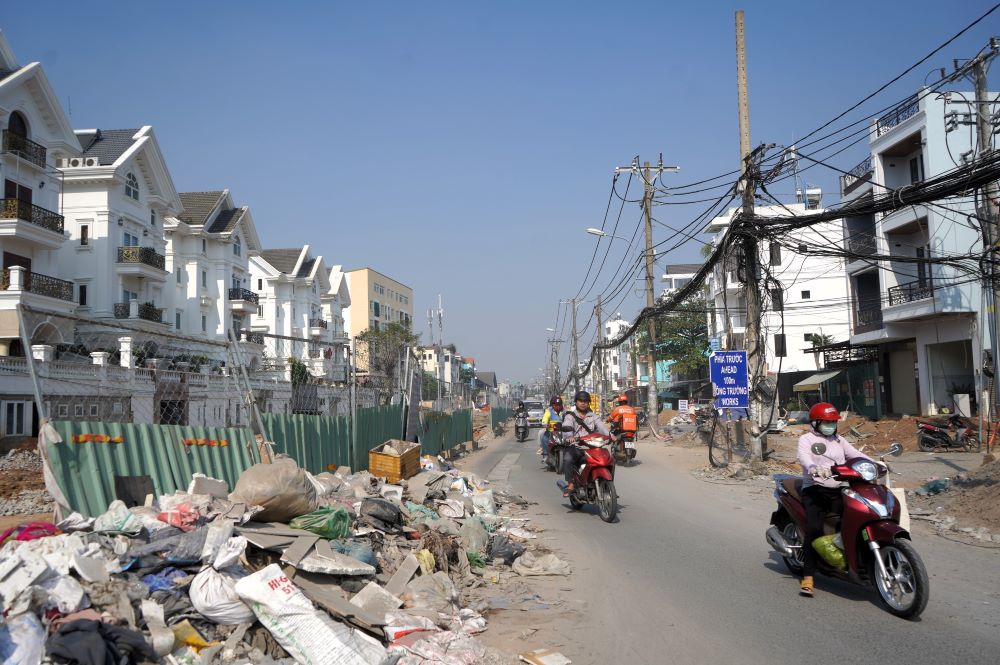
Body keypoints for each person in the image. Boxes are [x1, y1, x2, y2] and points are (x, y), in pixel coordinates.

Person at [796, 402, 872, 597]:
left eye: (833, 422)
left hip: (839, 487)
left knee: (859, 515)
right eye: (826, 422)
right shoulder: (806, 439)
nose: (831, 425)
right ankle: (808, 576)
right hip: (815, 489)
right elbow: (804, 458)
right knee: (814, 529)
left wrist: (873, 462)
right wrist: (813, 468)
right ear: (815, 422)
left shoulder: (838, 439)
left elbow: (854, 454)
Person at [560, 390, 610, 496]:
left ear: (588, 403)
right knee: (568, 458)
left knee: (608, 459)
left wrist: (611, 436)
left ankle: (607, 485)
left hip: (592, 447)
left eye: (585, 401)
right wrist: (569, 437)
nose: (583, 403)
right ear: (576, 402)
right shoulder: (570, 416)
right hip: (577, 446)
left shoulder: (593, 416)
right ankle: (570, 484)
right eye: (580, 401)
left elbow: (601, 427)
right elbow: (567, 426)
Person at [539, 396, 564, 462]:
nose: (558, 406)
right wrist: (546, 424)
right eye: (556, 405)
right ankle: (546, 455)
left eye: (559, 404)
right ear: (552, 405)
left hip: (563, 432)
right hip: (551, 431)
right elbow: (544, 420)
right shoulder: (548, 411)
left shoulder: (564, 412)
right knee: (544, 438)